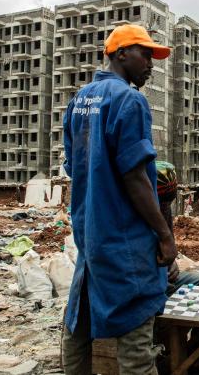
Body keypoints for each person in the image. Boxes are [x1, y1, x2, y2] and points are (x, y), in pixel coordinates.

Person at [61, 24, 177, 375]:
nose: (151, 65)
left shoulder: (79, 100)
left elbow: (72, 167)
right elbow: (135, 176)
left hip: (91, 235)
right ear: (120, 53)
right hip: (126, 238)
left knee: (78, 324)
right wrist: (165, 235)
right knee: (136, 341)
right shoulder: (129, 99)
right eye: (145, 54)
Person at [154, 161, 199, 374]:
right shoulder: (132, 212)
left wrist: (172, 263)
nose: (164, 207)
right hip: (145, 285)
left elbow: (167, 249)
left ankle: (193, 353)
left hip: (163, 278)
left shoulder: (164, 208)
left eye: (167, 203)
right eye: (160, 202)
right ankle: (165, 357)